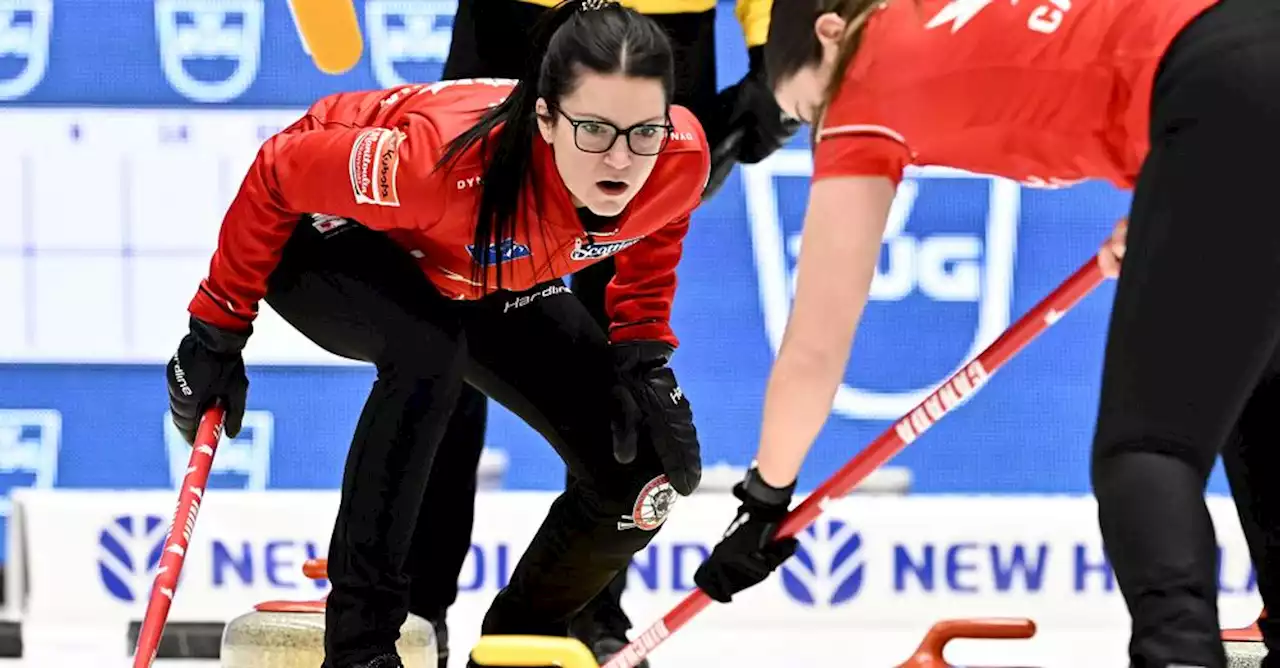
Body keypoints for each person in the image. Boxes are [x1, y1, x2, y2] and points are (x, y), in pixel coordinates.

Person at [689, 0, 1280, 666]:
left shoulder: (860, 89)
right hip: (1240, 53)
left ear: (830, 35)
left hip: (1220, 86)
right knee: (1260, 391)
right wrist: (1173, 201)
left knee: (1147, 453)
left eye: (806, 112)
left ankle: (1179, 654)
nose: (819, 131)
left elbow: (815, 348)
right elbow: (1113, 48)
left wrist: (765, 499)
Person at [163, 2, 710, 666]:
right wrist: (215, 330)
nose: (622, 160)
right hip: (329, 237)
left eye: (642, 133)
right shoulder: (430, 167)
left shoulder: (678, 157)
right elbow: (279, 172)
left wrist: (643, 350)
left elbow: (658, 222)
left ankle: (519, 645)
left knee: (638, 472)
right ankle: (361, 647)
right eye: (593, 130)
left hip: (473, 267)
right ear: (544, 119)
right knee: (429, 356)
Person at [414, 0, 800, 664]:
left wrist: (773, 45)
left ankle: (586, 611)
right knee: (449, 309)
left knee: (622, 344)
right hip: (512, 21)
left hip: (668, 26)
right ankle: (414, 606)